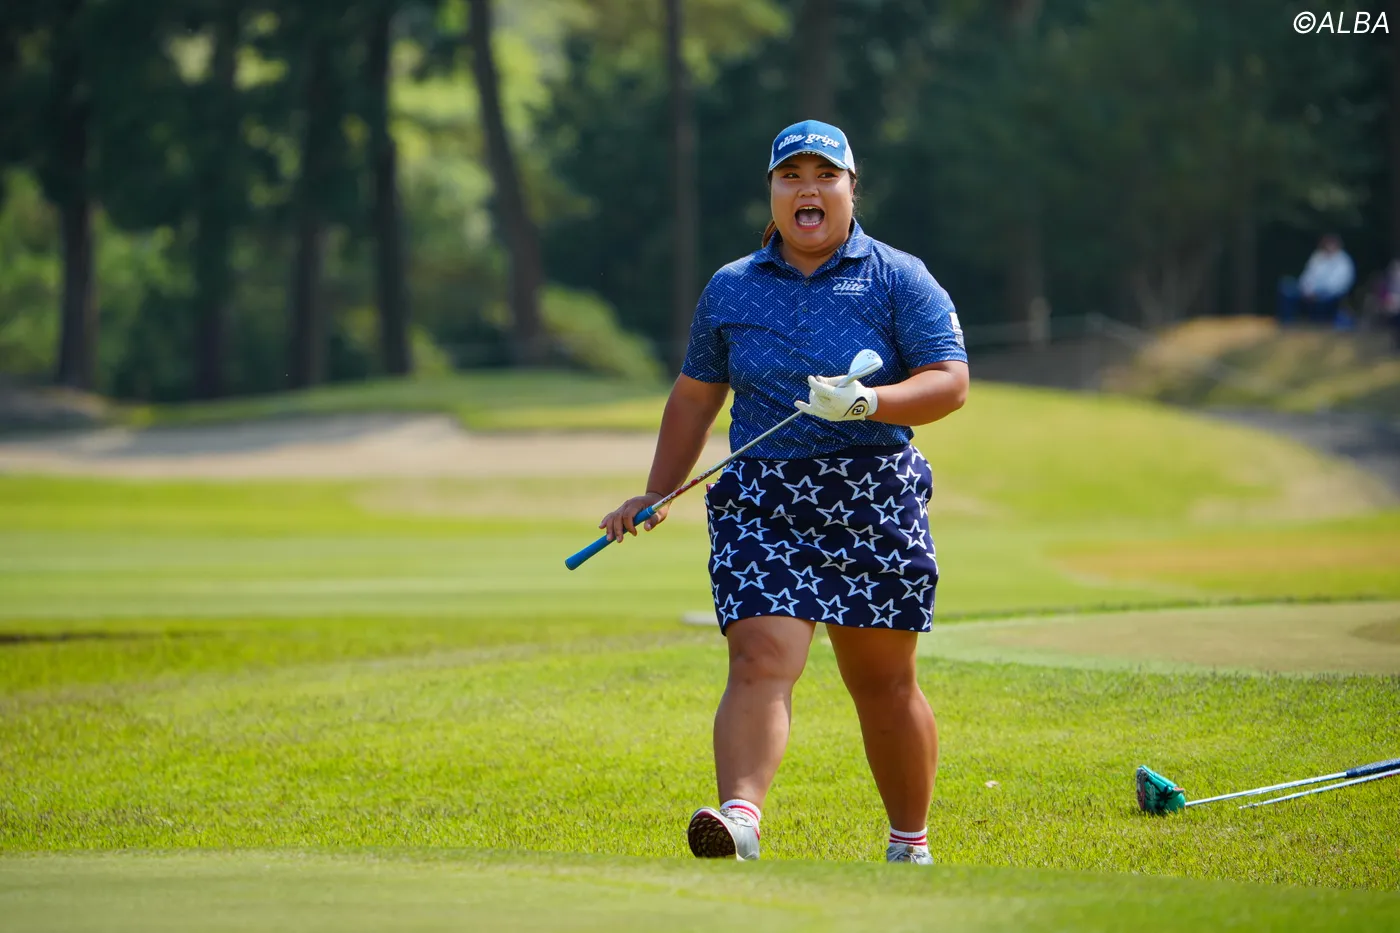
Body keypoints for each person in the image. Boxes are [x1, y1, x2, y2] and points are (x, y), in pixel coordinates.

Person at [598, 120, 970, 864]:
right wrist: (657, 491)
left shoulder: (898, 277)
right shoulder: (732, 287)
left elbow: (949, 381)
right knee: (759, 656)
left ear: (851, 189)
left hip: (871, 494)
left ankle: (909, 843)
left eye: (825, 175)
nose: (809, 189)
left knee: (882, 682)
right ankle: (740, 818)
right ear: (771, 192)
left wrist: (869, 402)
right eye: (791, 176)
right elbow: (696, 396)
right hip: (762, 500)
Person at [1278, 233, 1355, 327]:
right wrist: (1308, 290)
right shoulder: (1317, 257)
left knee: (1323, 300)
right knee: (1286, 285)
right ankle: (1287, 323)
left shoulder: (1343, 261)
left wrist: (1318, 292)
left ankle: (1319, 324)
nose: (1329, 246)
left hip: (1330, 295)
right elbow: (1307, 276)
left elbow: (1339, 284)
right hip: (1309, 292)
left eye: (1332, 243)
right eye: (1327, 243)